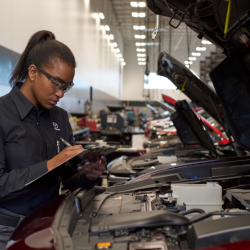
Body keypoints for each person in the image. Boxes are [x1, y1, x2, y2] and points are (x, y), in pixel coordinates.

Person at [0, 30, 106, 249]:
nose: (61, 94)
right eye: (56, 83)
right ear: (33, 72)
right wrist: (51, 164)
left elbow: (64, 182)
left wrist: (87, 175)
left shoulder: (59, 116)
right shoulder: (3, 114)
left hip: (52, 220)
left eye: (66, 86)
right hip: (8, 228)